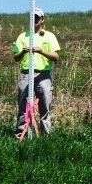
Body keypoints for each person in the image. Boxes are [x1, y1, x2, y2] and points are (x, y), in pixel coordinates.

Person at [11, 8, 60, 136]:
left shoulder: (49, 36)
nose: (34, 20)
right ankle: (21, 134)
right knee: (22, 106)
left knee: (45, 105)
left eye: (37, 18)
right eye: (32, 18)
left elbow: (56, 56)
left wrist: (41, 51)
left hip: (43, 75)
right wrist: (23, 51)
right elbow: (16, 57)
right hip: (26, 74)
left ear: (42, 19)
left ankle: (46, 135)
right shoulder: (22, 36)